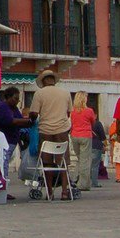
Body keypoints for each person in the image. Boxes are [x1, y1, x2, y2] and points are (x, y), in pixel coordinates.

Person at [24, 69, 72, 197]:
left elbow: (34, 113)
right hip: (62, 130)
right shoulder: (65, 93)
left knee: (47, 163)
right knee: (63, 162)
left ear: (44, 81)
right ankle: (65, 192)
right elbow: (68, 113)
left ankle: (49, 192)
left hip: (45, 131)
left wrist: (32, 121)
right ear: (53, 80)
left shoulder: (39, 94)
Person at [68, 92, 96, 191]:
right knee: (85, 160)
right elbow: (93, 122)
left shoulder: (72, 111)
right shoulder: (89, 111)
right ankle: (83, 184)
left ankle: (74, 178)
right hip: (85, 135)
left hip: (74, 135)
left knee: (80, 158)